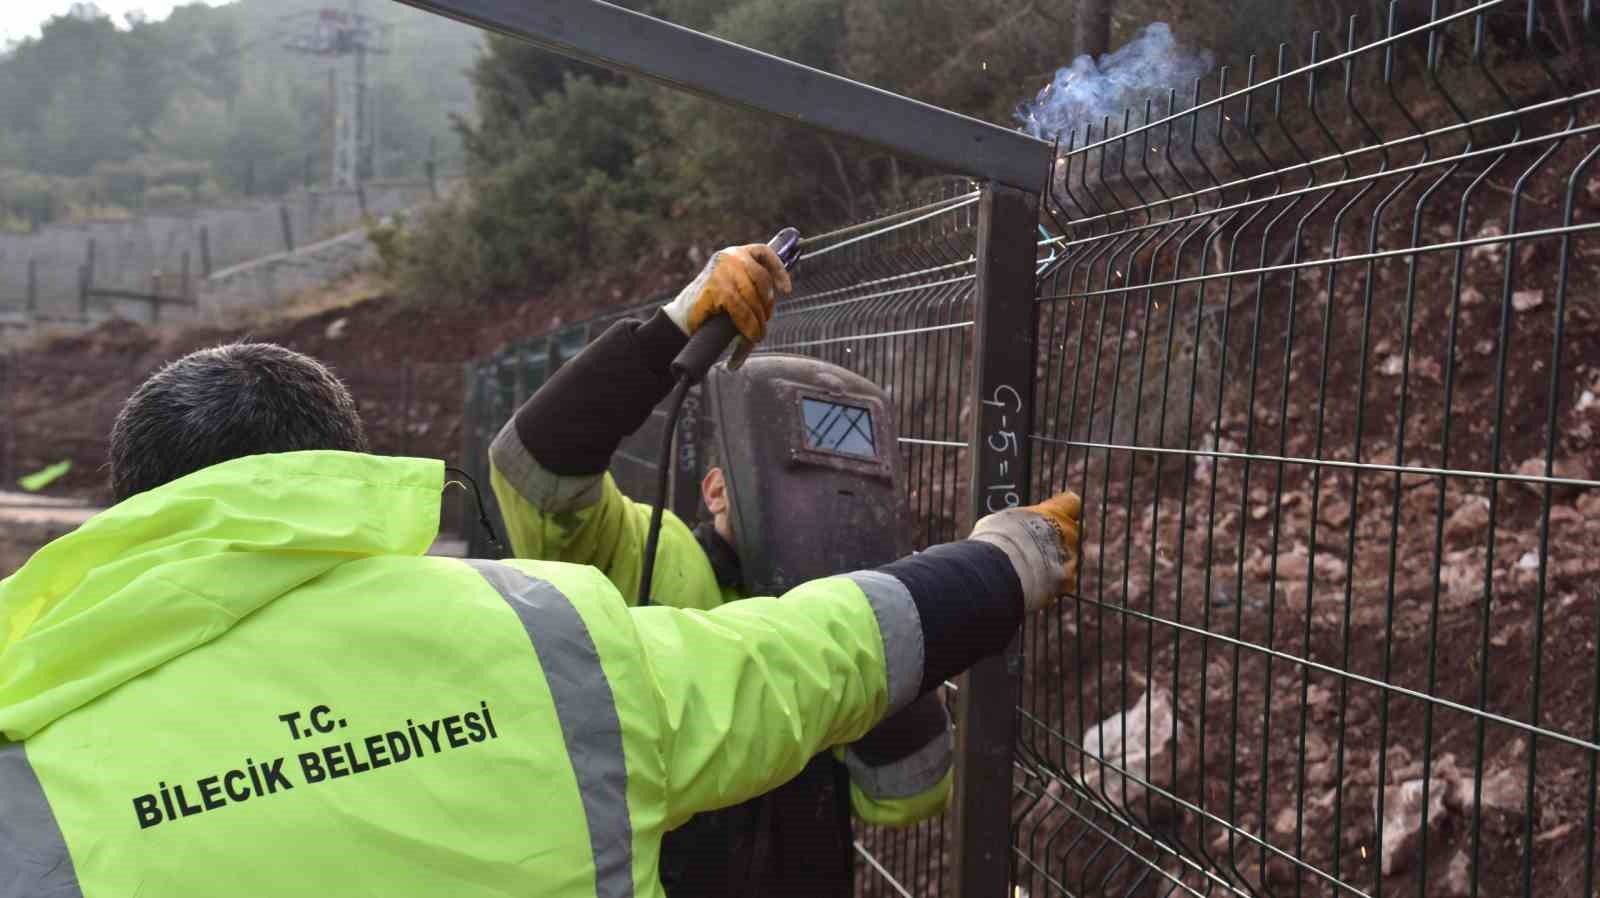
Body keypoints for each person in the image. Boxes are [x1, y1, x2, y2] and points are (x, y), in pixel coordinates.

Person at [0, 340, 1083, 897]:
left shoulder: (29, 755)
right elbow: (811, 652)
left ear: (131, 504)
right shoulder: (556, 620)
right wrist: (1002, 563)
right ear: (348, 467)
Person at [486, 243, 955, 896]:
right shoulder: (649, 551)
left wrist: (873, 611)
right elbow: (532, 468)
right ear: (714, 489)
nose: (823, 487)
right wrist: (666, 333)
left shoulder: (852, 598)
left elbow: (907, 795)